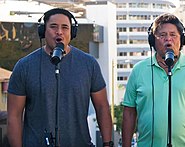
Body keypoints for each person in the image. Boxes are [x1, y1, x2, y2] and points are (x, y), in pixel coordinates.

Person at [7, 8, 113, 147]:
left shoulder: (89, 64)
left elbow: (102, 107)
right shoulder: (24, 66)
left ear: (72, 32)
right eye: (53, 27)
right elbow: (14, 116)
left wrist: (107, 144)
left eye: (65, 27)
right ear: (43, 31)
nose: (59, 32)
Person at [122, 13, 185, 147]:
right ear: (152, 40)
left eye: (173, 35)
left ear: (181, 39)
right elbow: (129, 113)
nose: (168, 40)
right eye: (162, 35)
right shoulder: (138, 71)